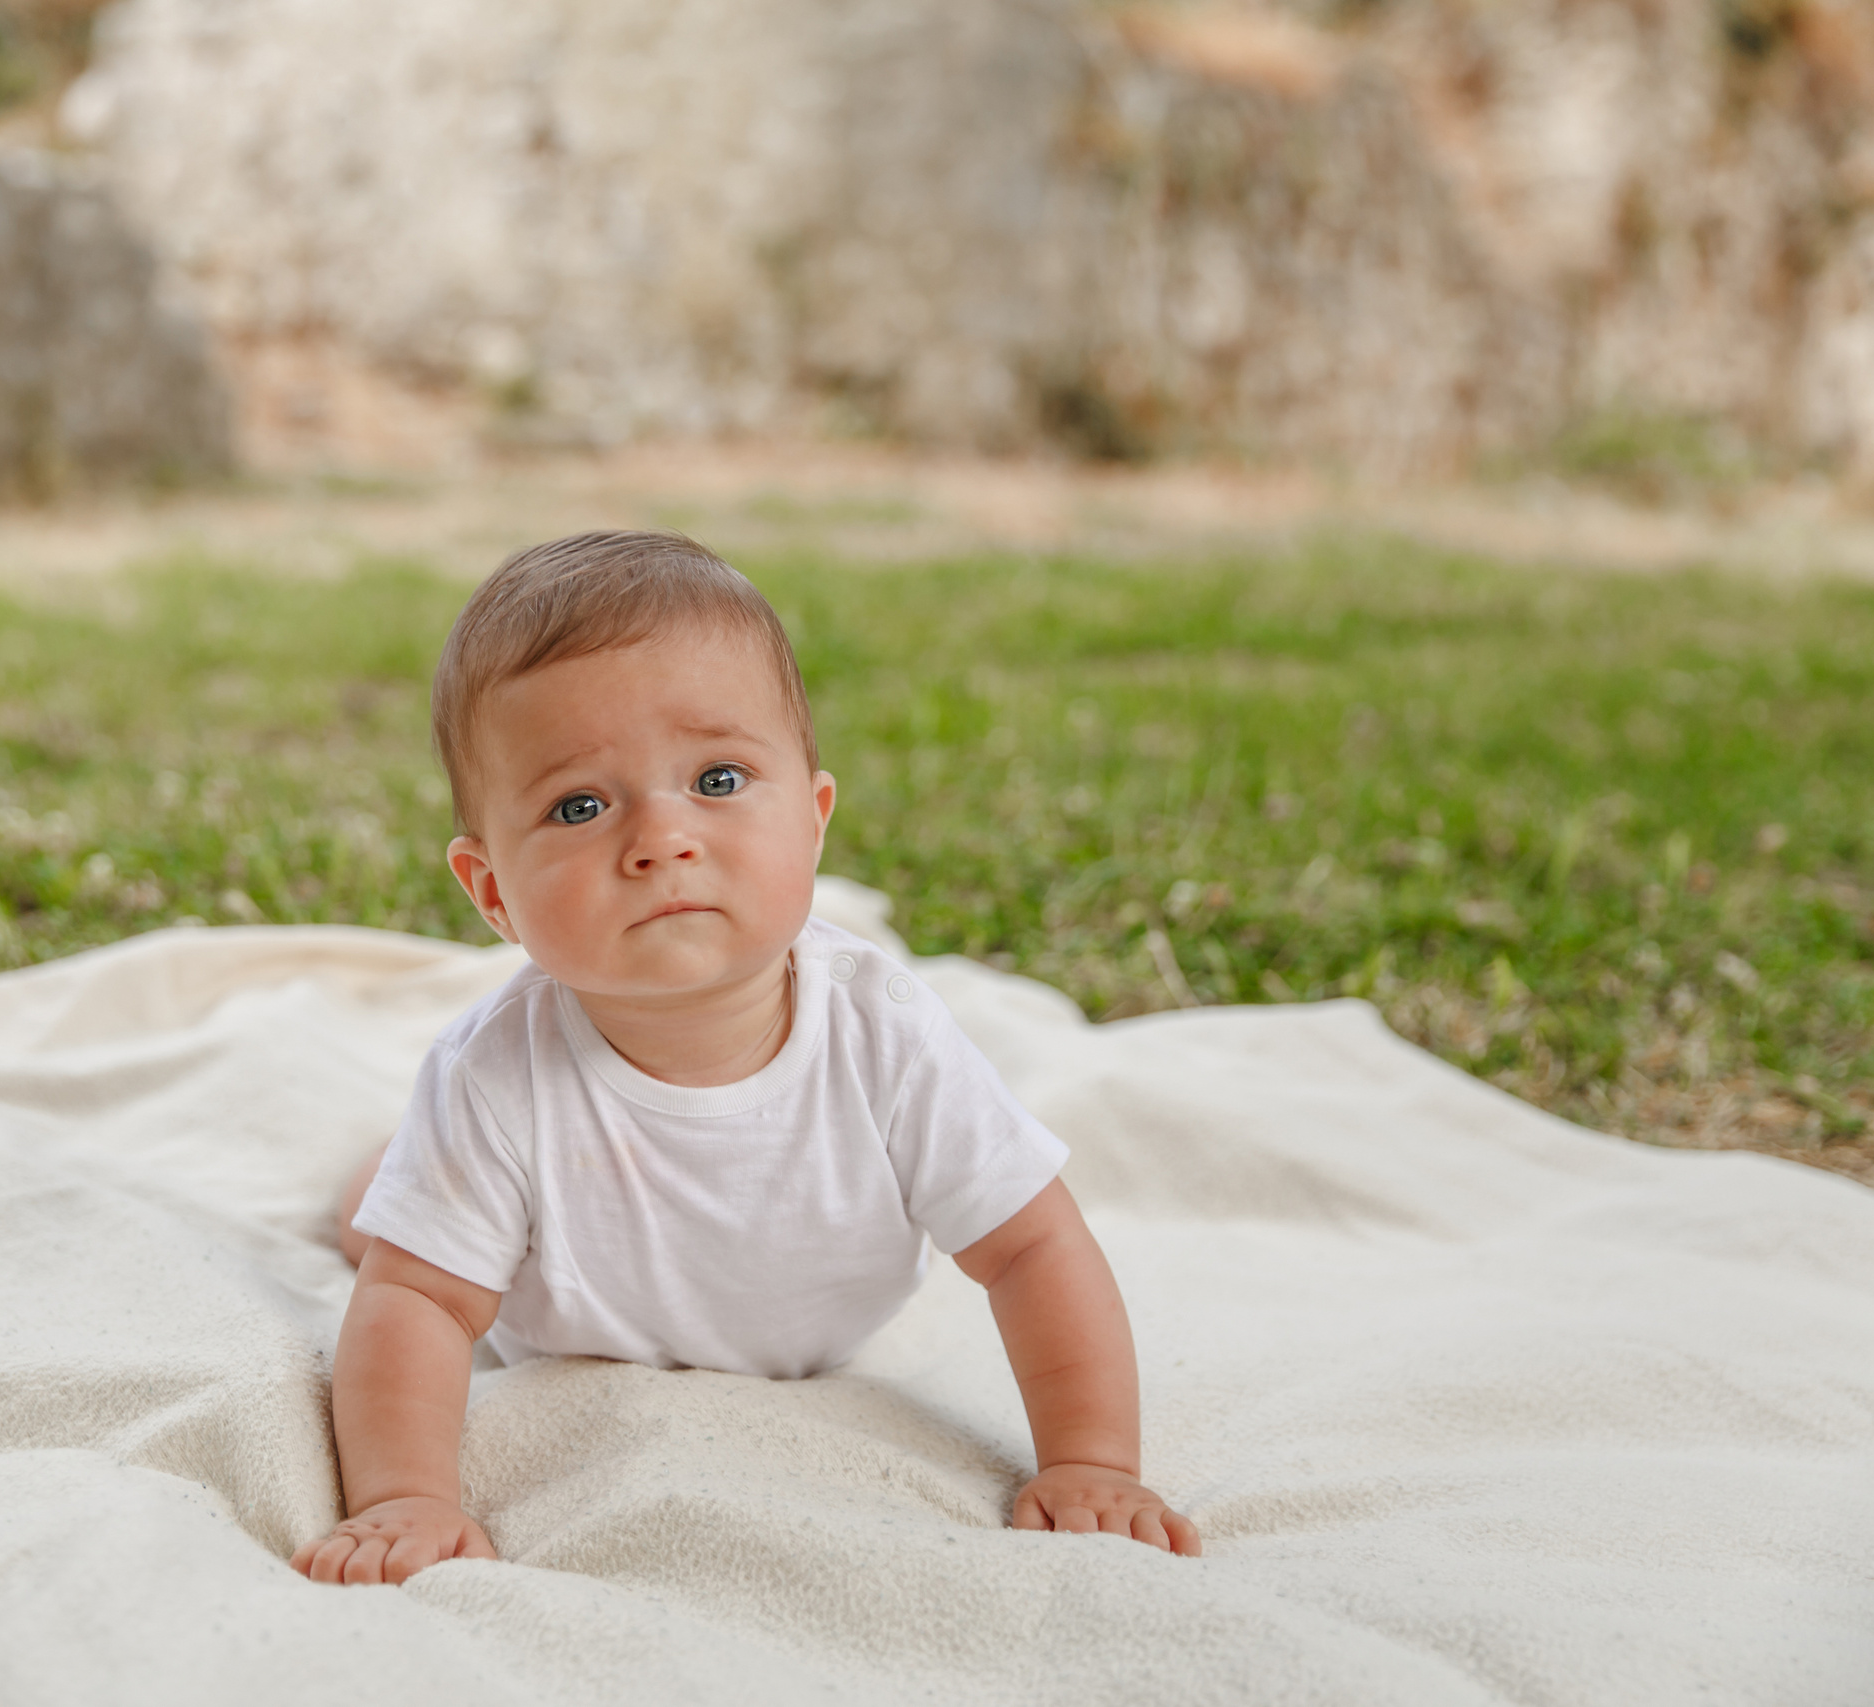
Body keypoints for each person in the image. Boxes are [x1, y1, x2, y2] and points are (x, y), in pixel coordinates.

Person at [291, 531, 1199, 1586]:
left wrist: (1092, 1461)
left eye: (717, 778)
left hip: (821, 1322)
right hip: (572, 1322)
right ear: (492, 891)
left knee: (414, 1206)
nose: (662, 837)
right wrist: (408, 1499)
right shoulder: (494, 1076)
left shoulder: (884, 1033)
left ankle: (394, 1176)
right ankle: (389, 1180)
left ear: (813, 823)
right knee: (396, 1237)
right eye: (579, 806)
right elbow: (425, 1307)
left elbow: (1033, 1249)